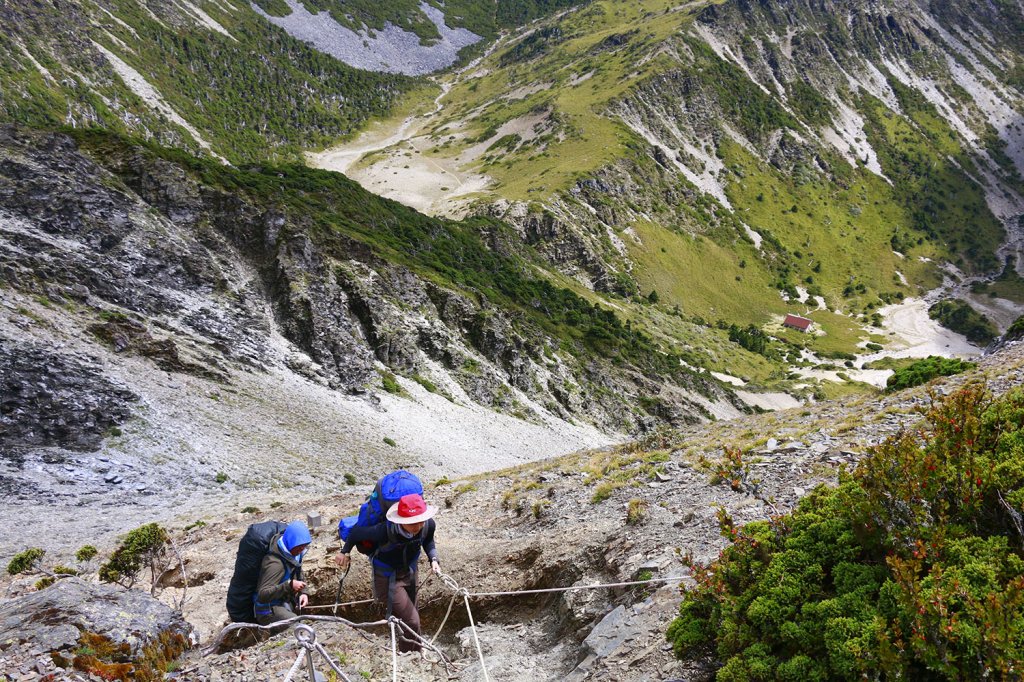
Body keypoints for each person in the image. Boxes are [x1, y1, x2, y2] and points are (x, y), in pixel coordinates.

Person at [335, 493, 440, 651]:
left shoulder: (427, 525)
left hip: (410, 572)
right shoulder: (384, 531)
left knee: (411, 615)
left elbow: (428, 541)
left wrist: (434, 559)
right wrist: (345, 552)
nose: (417, 527)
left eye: (420, 521)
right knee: (412, 621)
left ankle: (413, 650)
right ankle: (409, 655)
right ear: (401, 520)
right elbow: (356, 533)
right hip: (387, 578)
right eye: (412, 523)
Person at [254, 520, 311, 626]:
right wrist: (289, 585)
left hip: (284, 601)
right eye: (299, 546)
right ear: (291, 542)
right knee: (297, 625)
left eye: (304, 546)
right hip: (268, 610)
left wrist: (304, 592)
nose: (302, 549)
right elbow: (262, 595)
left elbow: (298, 573)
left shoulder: (293, 554)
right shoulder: (275, 564)